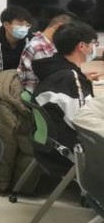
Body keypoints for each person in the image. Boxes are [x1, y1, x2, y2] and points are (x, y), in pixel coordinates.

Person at [33, 21, 97, 158]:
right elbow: (83, 122)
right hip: (70, 150)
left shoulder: (55, 68)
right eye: (93, 43)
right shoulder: (69, 78)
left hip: (54, 141)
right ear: (82, 46)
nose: (94, 48)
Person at [17, 11, 77, 93]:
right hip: (39, 93)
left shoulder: (52, 45)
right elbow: (51, 77)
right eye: (68, 33)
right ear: (58, 26)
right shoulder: (37, 46)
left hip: (50, 89)